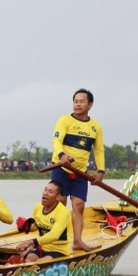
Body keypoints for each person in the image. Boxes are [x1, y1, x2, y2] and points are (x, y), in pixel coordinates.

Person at [51, 88, 105, 251]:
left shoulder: (95, 127)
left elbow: (98, 150)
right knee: (60, 202)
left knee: (79, 205)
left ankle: (77, 241)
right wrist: (62, 155)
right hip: (61, 168)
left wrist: (101, 172)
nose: (78, 104)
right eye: (75, 101)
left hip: (80, 172)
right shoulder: (65, 120)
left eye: (82, 101)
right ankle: (57, 241)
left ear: (90, 105)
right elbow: (56, 141)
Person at [16, 180, 73, 262]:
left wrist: (31, 242)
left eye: (50, 192)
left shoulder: (63, 212)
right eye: (45, 190)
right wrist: (26, 226)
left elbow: (54, 235)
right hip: (43, 247)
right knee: (29, 258)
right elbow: (36, 226)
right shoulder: (38, 207)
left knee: (40, 262)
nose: (45, 193)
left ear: (58, 197)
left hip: (59, 251)